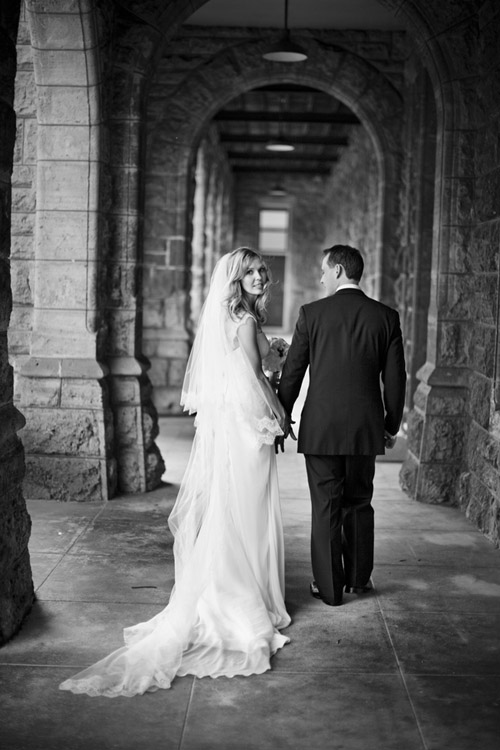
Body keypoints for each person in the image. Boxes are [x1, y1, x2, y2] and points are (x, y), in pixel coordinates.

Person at [59, 248, 292, 697]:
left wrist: (274, 351)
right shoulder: (244, 321)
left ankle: (244, 585)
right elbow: (255, 376)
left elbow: (254, 365)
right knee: (247, 505)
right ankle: (243, 596)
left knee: (239, 503)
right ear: (236, 279)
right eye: (250, 273)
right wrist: (279, 410)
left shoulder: (236, 316)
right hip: (247, 424)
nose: (260, 277)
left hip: (235, 421)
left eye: (262, 271)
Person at [276, 244, 406, 607]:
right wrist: (391, 425)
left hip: (321, 428)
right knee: (359, 502)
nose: (320, 277)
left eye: (323, 270)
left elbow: (292, 374)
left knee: (325, 505)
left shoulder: (312, 314)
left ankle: (330, 589)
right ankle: (359, 579)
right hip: (366, 428)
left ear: (337, 270)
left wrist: (282, 416)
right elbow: (396, 379)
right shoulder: (385, 317)